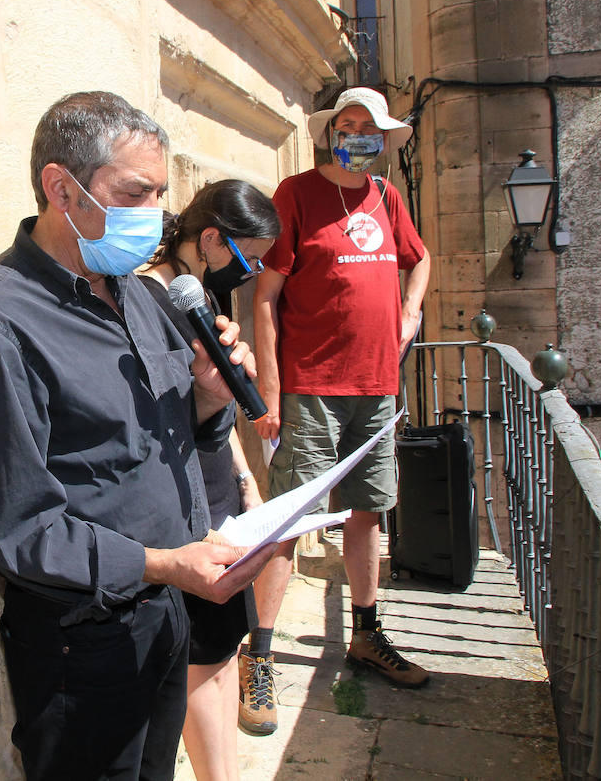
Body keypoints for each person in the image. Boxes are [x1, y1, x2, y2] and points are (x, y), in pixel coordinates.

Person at [0, 91, 272, 781]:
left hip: (166, 619)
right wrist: (161, 565)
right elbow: (15, 527)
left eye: (161, 194)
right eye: (134, 193)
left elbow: (172, 440)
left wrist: (210, 397)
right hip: (84, 644)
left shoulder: (145, 297)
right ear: (62, 188)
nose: (156, 214)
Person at [242, 87, 433, 736]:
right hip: (314, 389)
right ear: (331, 133)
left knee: (366, 512)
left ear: (381, 139)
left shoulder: (386, 197)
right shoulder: (295, 195)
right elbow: (265, 296)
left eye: (369, 127)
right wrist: (270, 391)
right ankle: (259, 659)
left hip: (377, 389)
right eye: (347, 124)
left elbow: (421, 258)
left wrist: (411, 311)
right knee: (288, 524)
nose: (358, 134)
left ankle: (366, 634)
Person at [138, 180, 279, 781]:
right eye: (249, 259)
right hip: (181, 492)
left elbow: (217, 405)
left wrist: (247, 476)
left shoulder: (202, 294)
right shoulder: (151, 298)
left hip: (220, 483)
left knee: (223, 646)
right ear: (212, 239)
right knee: (200, 658)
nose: (253, 274)